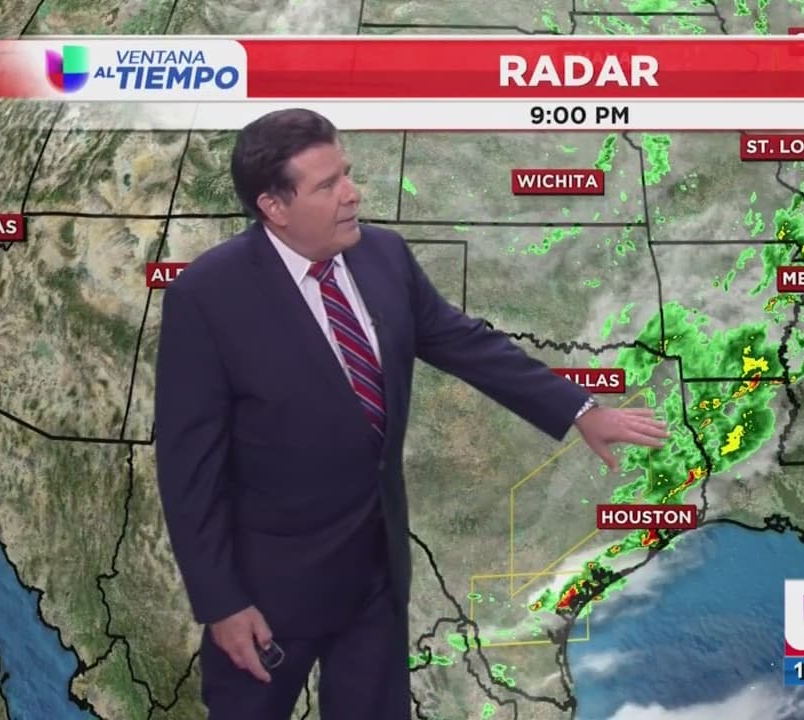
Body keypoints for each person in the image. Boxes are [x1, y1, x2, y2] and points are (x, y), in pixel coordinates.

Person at [153, 108, 669, 719]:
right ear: (274, 206)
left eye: (346, 174)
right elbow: (189, 469)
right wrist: (221, 602)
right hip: (267, 598)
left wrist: (579, 409)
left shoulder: (384, 257)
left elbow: (466, 343)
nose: (352, 193)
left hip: (374, 580)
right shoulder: (208, 298)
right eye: (327, 185)